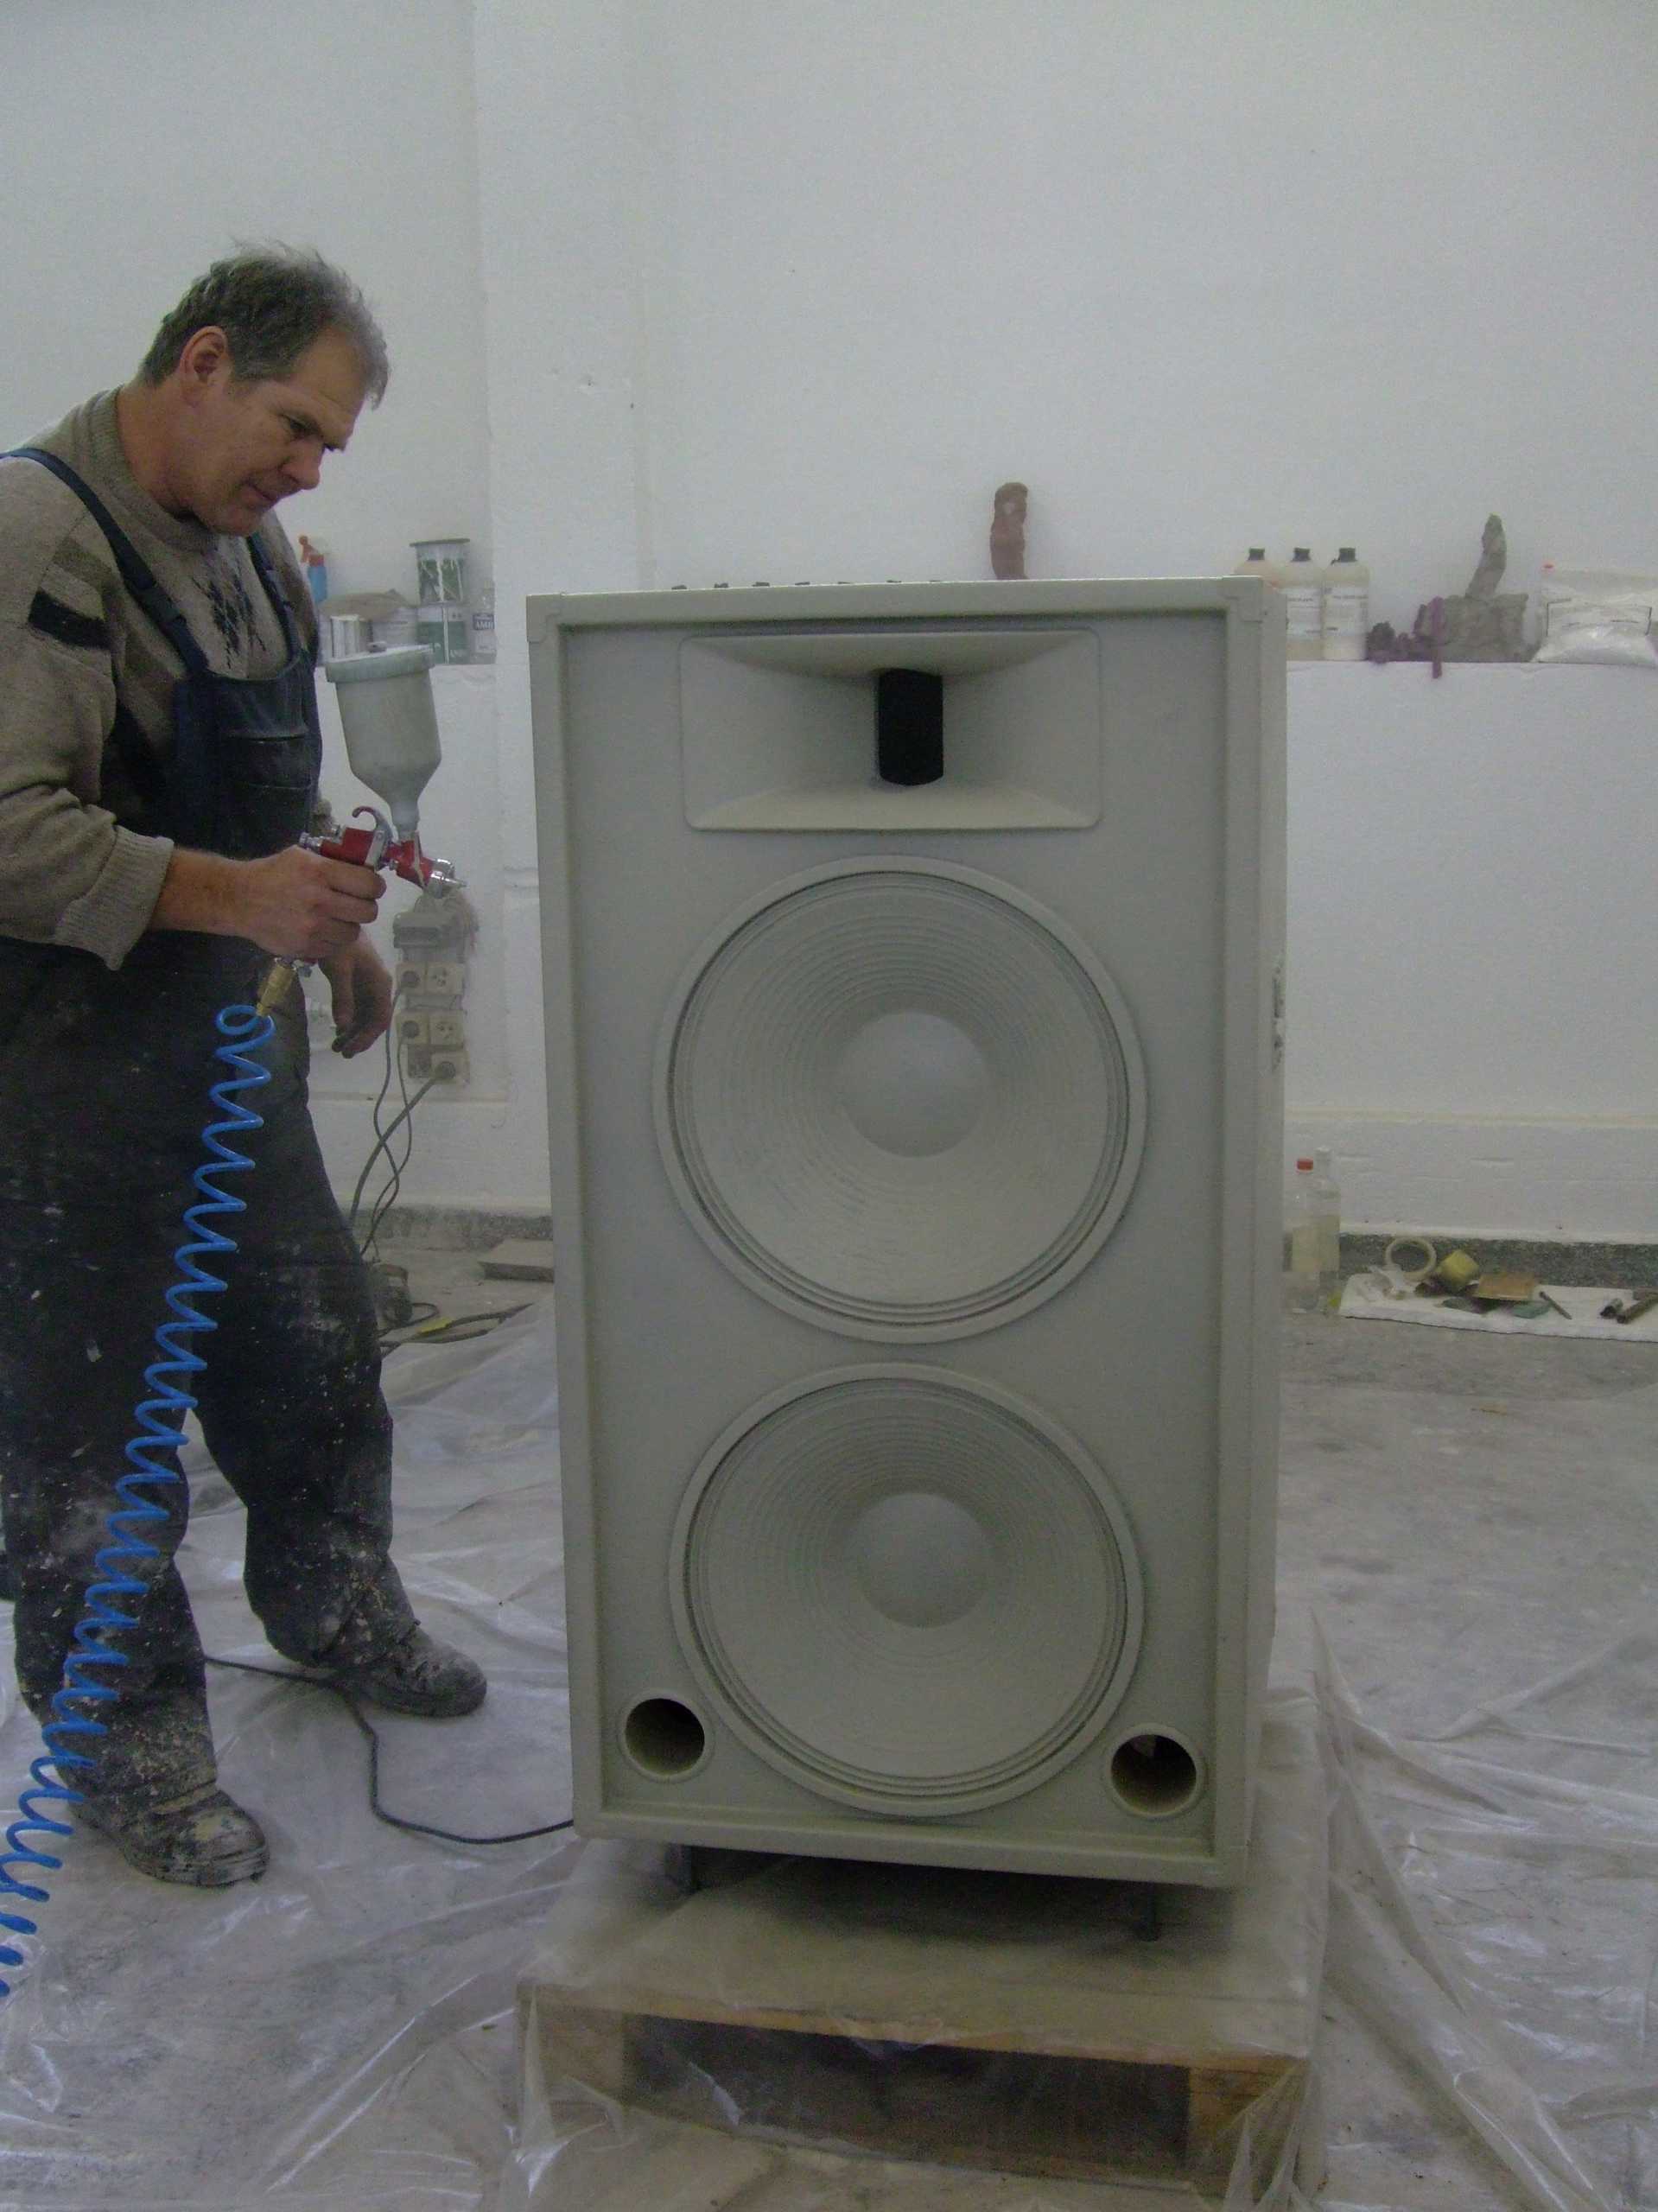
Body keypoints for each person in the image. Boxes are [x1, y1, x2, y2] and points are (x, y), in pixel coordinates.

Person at [0, 246, 486, 1891]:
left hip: (222, 1056)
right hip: (58, 1082)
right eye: (295, 427)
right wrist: (242, 901)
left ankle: (336, 1603)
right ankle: (126, 1743)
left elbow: (264, 801)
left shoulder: (250, 547)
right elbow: (9, 830)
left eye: (330, 446)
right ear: (202, 362)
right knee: (95, 1445)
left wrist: (327, 929)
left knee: (311, 1349)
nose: (309, 470)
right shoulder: (40, 534)